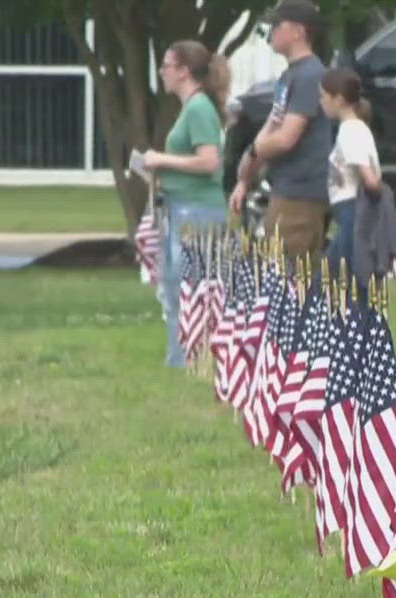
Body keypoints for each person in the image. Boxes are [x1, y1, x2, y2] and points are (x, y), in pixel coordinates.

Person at [143, 41, 230, 369]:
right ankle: (179, 357)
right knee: (174, 284)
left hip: (196, 210)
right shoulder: (191, 108)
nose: (162, 72)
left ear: (183, 71)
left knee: (194, 288)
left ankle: (196, 357)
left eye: (167, 65)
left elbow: (209, 162)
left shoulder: (198, 109)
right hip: (178, 206)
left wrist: (161, 158)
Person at [229, 0, 332, 263]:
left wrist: (254, 152)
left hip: (302, 193)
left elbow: (286, 138)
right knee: (279, 278)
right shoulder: (290, 76)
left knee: (287, 280)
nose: (271, 30)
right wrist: (244, 178)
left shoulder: (310, 74)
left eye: (277, 25)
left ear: (298, 31)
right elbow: (270, 128)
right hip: (286, 189)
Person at [320, 68, 380, 302]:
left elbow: (368, 176)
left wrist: (373, 196)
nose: (321, 103)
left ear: (339, 99)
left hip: (352, 211)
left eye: (323, 97)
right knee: (334, 278)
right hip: (347, 212)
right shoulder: (353, 129)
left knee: (337, 280)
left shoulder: (351, 131)